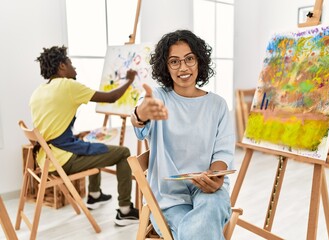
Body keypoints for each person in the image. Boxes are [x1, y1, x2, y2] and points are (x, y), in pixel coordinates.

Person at [131, 30, 235, 239]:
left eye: (189, 59)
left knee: (202, 221)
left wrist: (216, 177)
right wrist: (140, 114)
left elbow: (223, 152)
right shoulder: (158, 97)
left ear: (199, 61)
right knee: (198, 232)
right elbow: (139, 123)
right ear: (166, 67)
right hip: (169, 199)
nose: (184, 67)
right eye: (174, 62)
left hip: (209, 191)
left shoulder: (218, 105)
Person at [30, 45, 139, 226]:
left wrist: (75, 136)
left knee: (90, 140)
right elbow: (111, 97)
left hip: (46, 159)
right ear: (62, 66)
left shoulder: (38, 92)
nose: (75, 68)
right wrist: (129, 80)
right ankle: (125, 211)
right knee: (124, 153)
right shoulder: (68, 86)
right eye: (71, 63)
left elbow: (48, 128)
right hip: (62, 161)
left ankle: (95, 195)